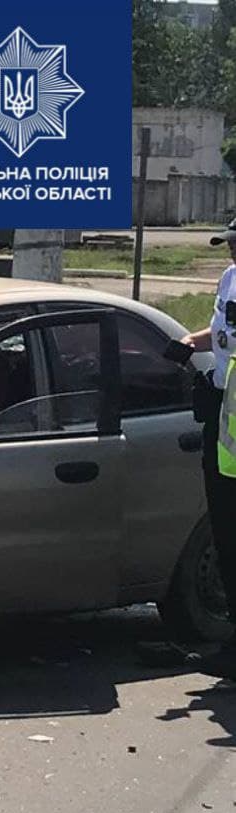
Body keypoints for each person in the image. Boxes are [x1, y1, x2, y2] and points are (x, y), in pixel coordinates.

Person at [168, 217, 236, 679]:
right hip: (225, 418)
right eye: (230, 243)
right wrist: (190, 342)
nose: (232, 251)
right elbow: (222, 333)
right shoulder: (230, 278)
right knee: (228, 537)